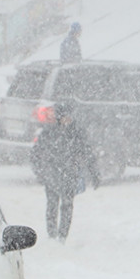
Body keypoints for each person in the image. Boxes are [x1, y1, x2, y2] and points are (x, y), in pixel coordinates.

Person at [30, 102, 99, 240]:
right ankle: (52, 235)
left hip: (69, 175)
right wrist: (40, 172)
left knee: (67, 205)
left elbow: (87, 152)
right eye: (63, 116)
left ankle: (62, 236)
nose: (67, 119)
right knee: (52, 206)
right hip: (52, 175)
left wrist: (94, 172)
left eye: (68, 116)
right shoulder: (49, 132)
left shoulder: (76, 133)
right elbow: (36, 153)